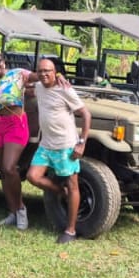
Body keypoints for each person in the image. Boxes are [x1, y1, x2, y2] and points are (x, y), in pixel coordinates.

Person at [25, 58, 91, 244]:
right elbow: (26, 79)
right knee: (32, 176)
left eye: (48, 71)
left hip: (65, 145)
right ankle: (61, 191)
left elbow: (86, 114)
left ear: (54, 72)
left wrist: (81, 143)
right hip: (46, 145)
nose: (44, 74)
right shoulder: (39, 87)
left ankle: (70, 230)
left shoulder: (65, 89)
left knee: (73, 184)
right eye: (40, 71)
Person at [0, 53, 38, 229]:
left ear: (4, 62)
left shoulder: (17, 74)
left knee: (9, 167)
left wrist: (56, 75)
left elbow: (39, 76)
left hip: (15, 124)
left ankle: (21, 209)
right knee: (3, 171)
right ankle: (12, 211)